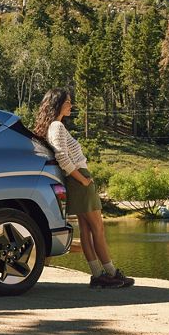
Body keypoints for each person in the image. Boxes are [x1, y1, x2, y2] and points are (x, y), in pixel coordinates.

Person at [34, 88, 134, 289]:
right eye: (68, 102)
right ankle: (112, 273)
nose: (71, 105)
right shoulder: (57, 126)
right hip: (79, 180)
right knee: (98, 229)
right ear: (58, 104)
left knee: (87, 231)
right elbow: (63, 157)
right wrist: (84, 180)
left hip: (74, 182)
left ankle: (98, 275)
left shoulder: (52, 127)